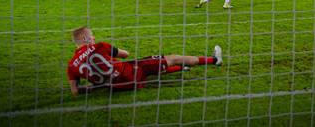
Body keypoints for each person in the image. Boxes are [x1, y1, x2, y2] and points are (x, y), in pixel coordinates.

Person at [67, 27, 222, 95]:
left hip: (116, 87)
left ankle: (183, 69)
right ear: (85, 38)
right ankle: (214, 60)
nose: (94, 38)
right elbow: (125, 54)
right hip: (132, 72)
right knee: (172, 58)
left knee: (147, 65)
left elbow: (75, 91)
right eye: (92, 35)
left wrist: (96, 86)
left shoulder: (71, 66)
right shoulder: (100, 46)